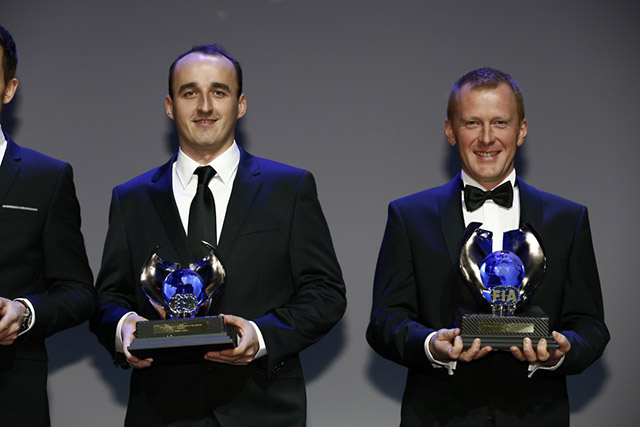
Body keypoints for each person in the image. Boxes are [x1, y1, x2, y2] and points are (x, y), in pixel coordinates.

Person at [90, 44, 346, 427]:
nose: (205, 106)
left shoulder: (289, 189)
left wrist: (261, 336)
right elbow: (107, 298)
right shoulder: (132, 198)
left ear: (240, 105)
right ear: (170, 106)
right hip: (161, 412)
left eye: (219, 92)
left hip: (263, 409)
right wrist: (123, 325)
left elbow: (326, 293)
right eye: (189, 92)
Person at [366, 67, 609, 426]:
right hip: (437, 416)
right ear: (450, 131)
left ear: (521, 130)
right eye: (472, 123)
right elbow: (385, 322)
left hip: (536, 415)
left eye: (499, 123)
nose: (486, 138)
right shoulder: (409, 216)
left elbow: (591, 327)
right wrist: (431, 345)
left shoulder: (568, 219)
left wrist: (560, 352)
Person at [0, 24, 96, 426]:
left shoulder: (47, 178)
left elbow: (78, 292)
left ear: (8, 89)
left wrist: (24, 313)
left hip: (10, 396)